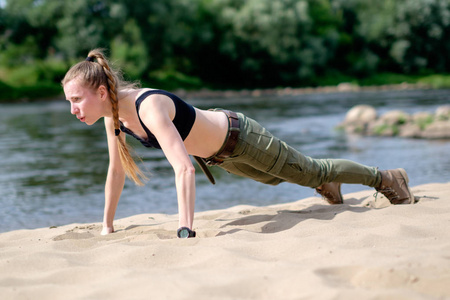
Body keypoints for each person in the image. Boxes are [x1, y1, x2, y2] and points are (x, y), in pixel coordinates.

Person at [62, 49, 415, 238]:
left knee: (309, 171)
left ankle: (385, 177)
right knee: (282, 178)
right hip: (223, 157)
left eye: (76, 100)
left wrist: (186, 227)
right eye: (69, 103)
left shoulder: (147, 106)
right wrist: (107, 225)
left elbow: (183, 167)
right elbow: (116, 172)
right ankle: (330, 183)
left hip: (240, 136)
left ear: (103, 91)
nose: (73, 110)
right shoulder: (114, 117)